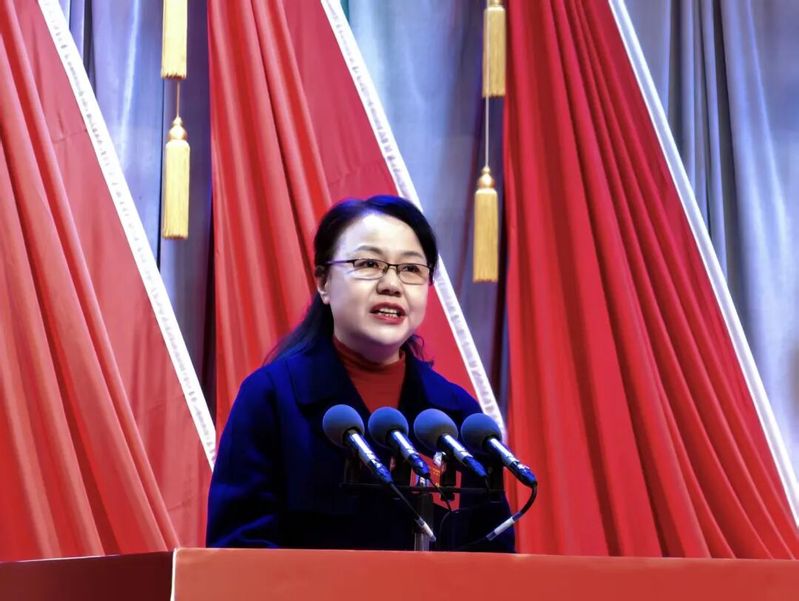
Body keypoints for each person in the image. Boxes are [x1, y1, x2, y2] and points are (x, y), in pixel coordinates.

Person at [206, 195, 514, 551]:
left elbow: (492, 555)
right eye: (369, 263)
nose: (391, 284)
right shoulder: (272, 398)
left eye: (411, 269)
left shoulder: (458, 416)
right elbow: (239, 550)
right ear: (323, 282)